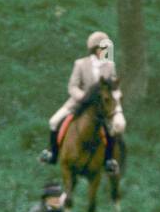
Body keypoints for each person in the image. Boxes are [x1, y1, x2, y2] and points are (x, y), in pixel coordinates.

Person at [40, 31, 121, 174]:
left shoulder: (110, 66)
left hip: (101, 107)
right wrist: (84, 97)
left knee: (112, 129)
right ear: (96, 49)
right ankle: (52, 152)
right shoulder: (80, 64)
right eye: (104, 48)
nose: (106, 51)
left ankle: (109, 160)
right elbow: (72, 86)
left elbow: (114, 86)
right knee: (54, 121)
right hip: (79, 103)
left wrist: (115, 95)